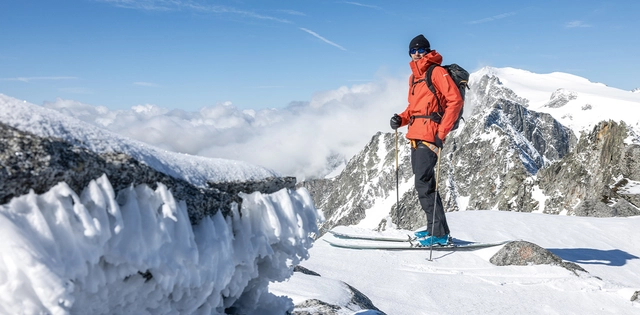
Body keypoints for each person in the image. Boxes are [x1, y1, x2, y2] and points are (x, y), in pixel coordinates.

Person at [389, 34, 463, 246]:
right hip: (415, 135)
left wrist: (441, 133)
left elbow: (454, 101)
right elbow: (413, 109)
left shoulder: (436, 72)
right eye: (413, 50)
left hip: (430, 136)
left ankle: (439, 234)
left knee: (424, 184)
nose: (417, 54)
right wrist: (400, 119)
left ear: (428, 51)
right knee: (424, 183)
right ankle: (436, 229)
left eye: (421, 50)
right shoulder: (414, 78)